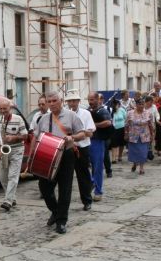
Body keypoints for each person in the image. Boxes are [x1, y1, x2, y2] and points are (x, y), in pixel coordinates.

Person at [33, 91, 87, 234]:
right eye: (49, 101)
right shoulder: (44, 118)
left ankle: (61, 221)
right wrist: (33, 156)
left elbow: (83, 133)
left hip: (66, 155)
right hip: (47, 155)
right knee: (44, 187)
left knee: (65, 189)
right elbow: (36, 137)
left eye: (54, 101)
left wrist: (72, 138)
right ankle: (55, 211)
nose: (51, 104)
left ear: (61, 100)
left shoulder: (71, 116)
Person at [0, 98, 28, 211]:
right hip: (3, 151)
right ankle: (12, 198)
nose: (3, 111)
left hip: (17, 150)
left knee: (12, 176)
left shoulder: (18, 119)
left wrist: (13, 137)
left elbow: (25, 136)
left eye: (5, 108)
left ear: (10, 108)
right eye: (1, 109)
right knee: (3, 178)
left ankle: (7, 201)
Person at [66, 90, 95, 211]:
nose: (72, 103)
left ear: (78, 101)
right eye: (70, 101)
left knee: (83, 175)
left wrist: (81, 133)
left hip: (82, 147)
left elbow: (90, 132)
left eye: (74, 100)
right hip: (68, 148)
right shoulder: (64, 114)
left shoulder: (85, 113)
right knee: (66, 176)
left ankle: (87, 200)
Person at [87, 92, 112, 201]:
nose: (90, 102)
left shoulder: (103, 111)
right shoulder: (87, 111)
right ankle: (92, 182)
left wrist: (94, 125)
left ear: (98, 99)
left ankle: (98, 191)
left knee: (97, 167)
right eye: (89, 99)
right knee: (84, 166)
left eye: (92, 99)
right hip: (86, 141)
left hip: (98, 141)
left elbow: (108, 123)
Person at [125, 97, 155, 175]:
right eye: (139, 104)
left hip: (144, 136)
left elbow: (151, 125)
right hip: (133, 136)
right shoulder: (130, 113)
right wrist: (126, 133)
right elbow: (126, 125)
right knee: (134, 152)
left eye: (142, 104)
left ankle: (141, 168)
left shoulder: (148, 113)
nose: (141, 106)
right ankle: (135, 163)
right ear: (136, 105)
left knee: (143, 152)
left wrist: (152, 135)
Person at [110, 99, 127, 163]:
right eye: (114, 104)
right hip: (114, 129)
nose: (115, 106)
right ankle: (113, 158)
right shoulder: (111, 111)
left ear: (119, 105)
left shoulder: (122, 110)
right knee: (114, 144)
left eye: (116, 104)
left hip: (122, 128)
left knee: (121, 143)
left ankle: (120, 156)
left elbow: (126, 118)